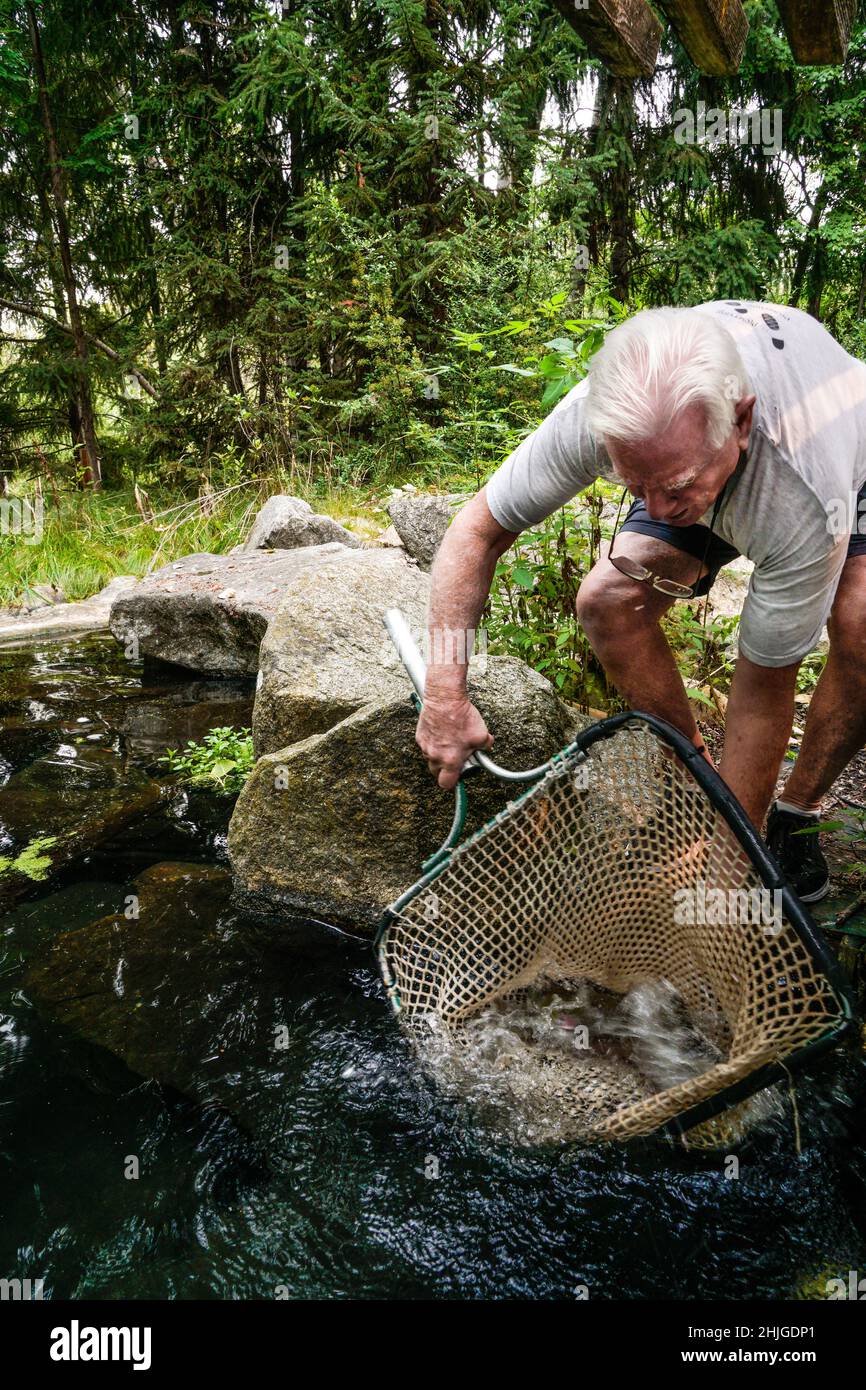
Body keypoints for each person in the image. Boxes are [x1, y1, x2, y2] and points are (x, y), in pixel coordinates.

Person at [417, 300, 866, 902]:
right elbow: (474, 533)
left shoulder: (799, 493)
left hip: (845, 457)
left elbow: (763, 689)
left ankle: (795, 812)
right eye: (633, 487)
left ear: (740, 422)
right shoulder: (602, 416)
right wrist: (446, 690)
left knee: (861, 627)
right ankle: (697, 783)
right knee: (608, 600)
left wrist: (727, 879)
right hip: (708, 457)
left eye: (673, 488)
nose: (653, 511)